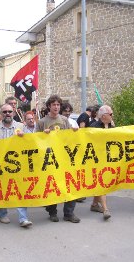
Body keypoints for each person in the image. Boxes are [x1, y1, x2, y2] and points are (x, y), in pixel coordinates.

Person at [35, 95, 80, 223]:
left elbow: (69, 138)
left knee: (70, 184)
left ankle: (69, 213)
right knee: (51, 186)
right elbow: (35, 140)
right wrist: (43, 135)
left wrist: (75, 132)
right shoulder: (42, 122)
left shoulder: (65, 120)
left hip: (64, 157)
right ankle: (52, 211)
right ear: (49, 106)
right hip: (49, 159)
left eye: (58, 105)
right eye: (54, 105)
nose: (56, 107)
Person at [0, 104, 33, 228]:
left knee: (20, 190)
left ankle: (23, 218)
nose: (7, 113)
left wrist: (24, 138)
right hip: (1, 166)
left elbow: (31, 142)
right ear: (1, 113)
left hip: (18, 165)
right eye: (5, 112)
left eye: (10, 111)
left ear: (13, 113)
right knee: (1, 190)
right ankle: (2, 214)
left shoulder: (21, 126)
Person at [89, 105, 114, 220]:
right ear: (104, 116)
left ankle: (94, 204)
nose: (112, 116)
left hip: (108, 159)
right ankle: (105, 209)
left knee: (102, 182)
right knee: (101, 182)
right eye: (111, 114)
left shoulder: (112, 126)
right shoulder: (94, 127)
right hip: (97, 160)